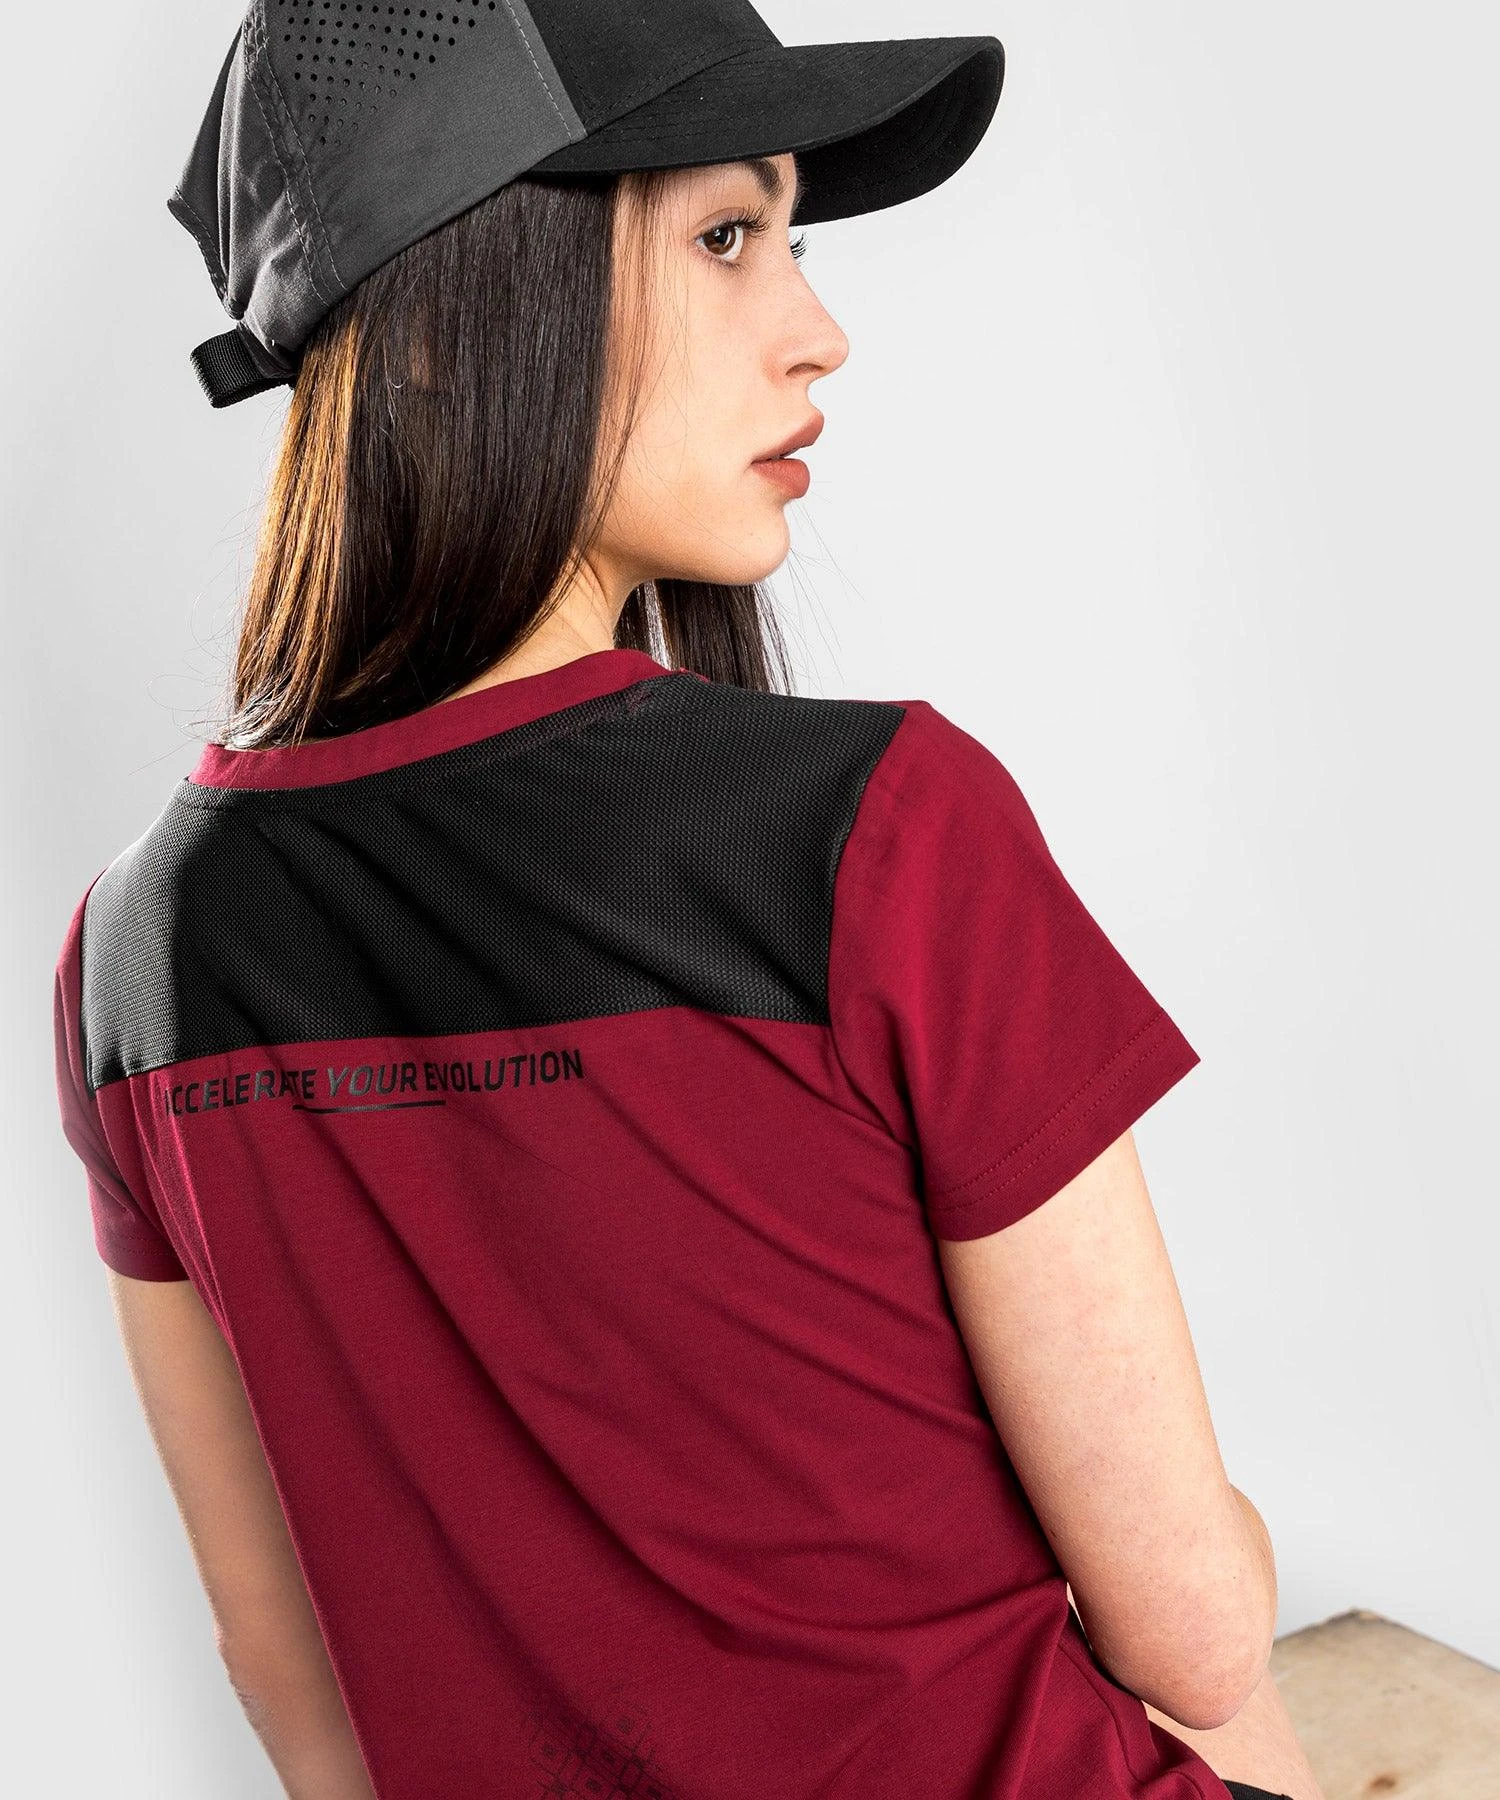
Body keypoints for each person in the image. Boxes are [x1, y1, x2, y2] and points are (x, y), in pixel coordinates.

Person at [51, 4, 1324, 1797]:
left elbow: (299, 1688)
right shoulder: (877, 830)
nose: (818, 328)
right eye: (727, 235)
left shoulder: (130, 961)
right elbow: (1192, 1631)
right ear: (440, 322)